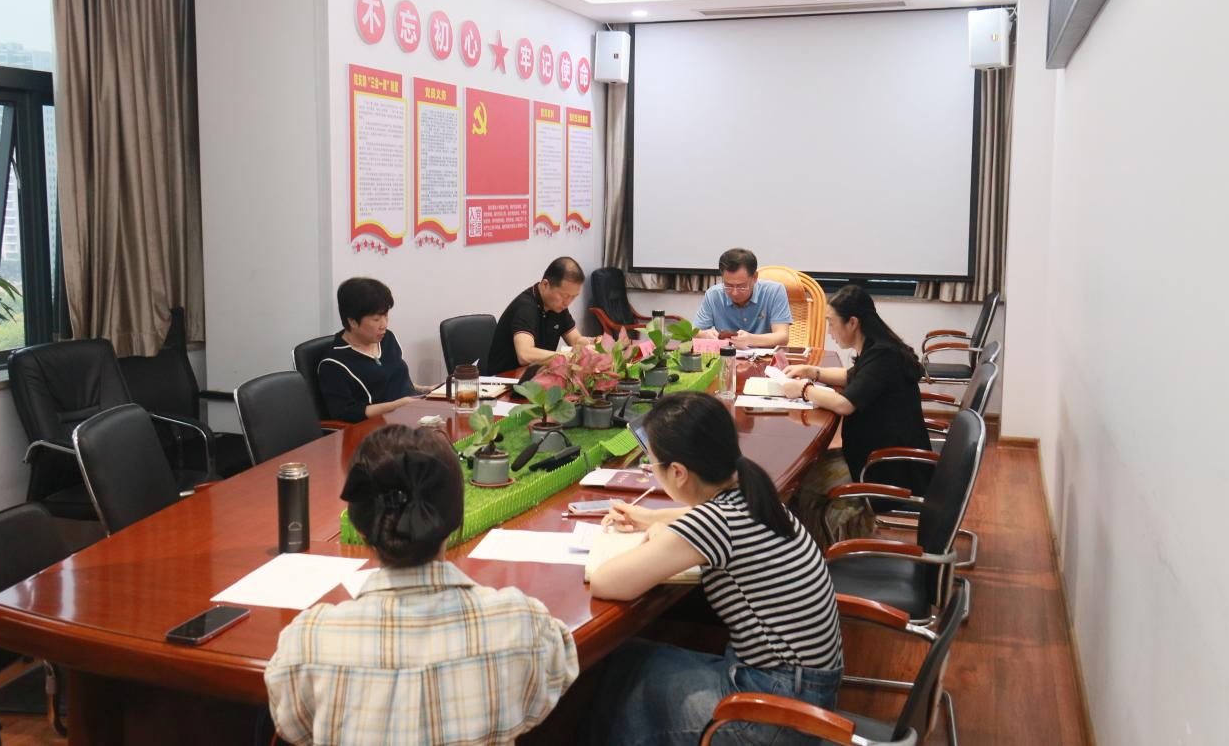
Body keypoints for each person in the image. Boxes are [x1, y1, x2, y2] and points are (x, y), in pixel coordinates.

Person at [265, 425, 579, 746]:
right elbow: (552, 684)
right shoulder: (522, 624)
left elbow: (294, 727)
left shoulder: (308, 643)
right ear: (456, 519)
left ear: (359, 528)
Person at [585, 392, 843, 745]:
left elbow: (606, 581)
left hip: (774, 715)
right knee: (634, 660)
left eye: (653, 463)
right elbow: (706, 520)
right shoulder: (753, 492)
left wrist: (661, 537)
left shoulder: (713, 523)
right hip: (804, 693)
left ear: (678, 472)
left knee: (626, 678)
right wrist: (651, 518)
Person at [780, 284, 932, 543]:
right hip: (875, 454)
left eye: (831, 323)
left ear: (852, 322)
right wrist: (812, 372)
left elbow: (844, 404)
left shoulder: (883, 357)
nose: (829, 332)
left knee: (804, 487)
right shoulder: (879, 349)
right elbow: (852, 377)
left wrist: (804, 390)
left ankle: (826, 553)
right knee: (805, 475)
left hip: (887, 469)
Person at [318, 277, 432, 422]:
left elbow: (392, 379)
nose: (384, 325)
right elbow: (345, 413)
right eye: (376, 319)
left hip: (411, 415)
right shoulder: (334, 363)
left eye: (386, 315)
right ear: (352, 321)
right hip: (378, 428)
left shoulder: (387, 339)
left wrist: (424, 389)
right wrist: (395, 406)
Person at [487, 257, 591, 374]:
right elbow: (525, 354)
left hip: (534, 376)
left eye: (573, 297)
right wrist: (566, 357)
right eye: (564, 296)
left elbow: (575, 340)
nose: (567, 302)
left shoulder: (557, 306)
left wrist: (591, 344)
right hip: (505, 379)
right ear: (545, 284)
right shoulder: (526, 307)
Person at [693, 248, 792, 349]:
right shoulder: (714, 295)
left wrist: (751, 339)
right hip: (727, 356)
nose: (734, 293)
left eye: (741, 286)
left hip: (765, 357)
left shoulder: (774, 291)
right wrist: (703, 335)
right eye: (728, 285)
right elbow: (693, 332)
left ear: (755, 277)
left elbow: (782, 337)